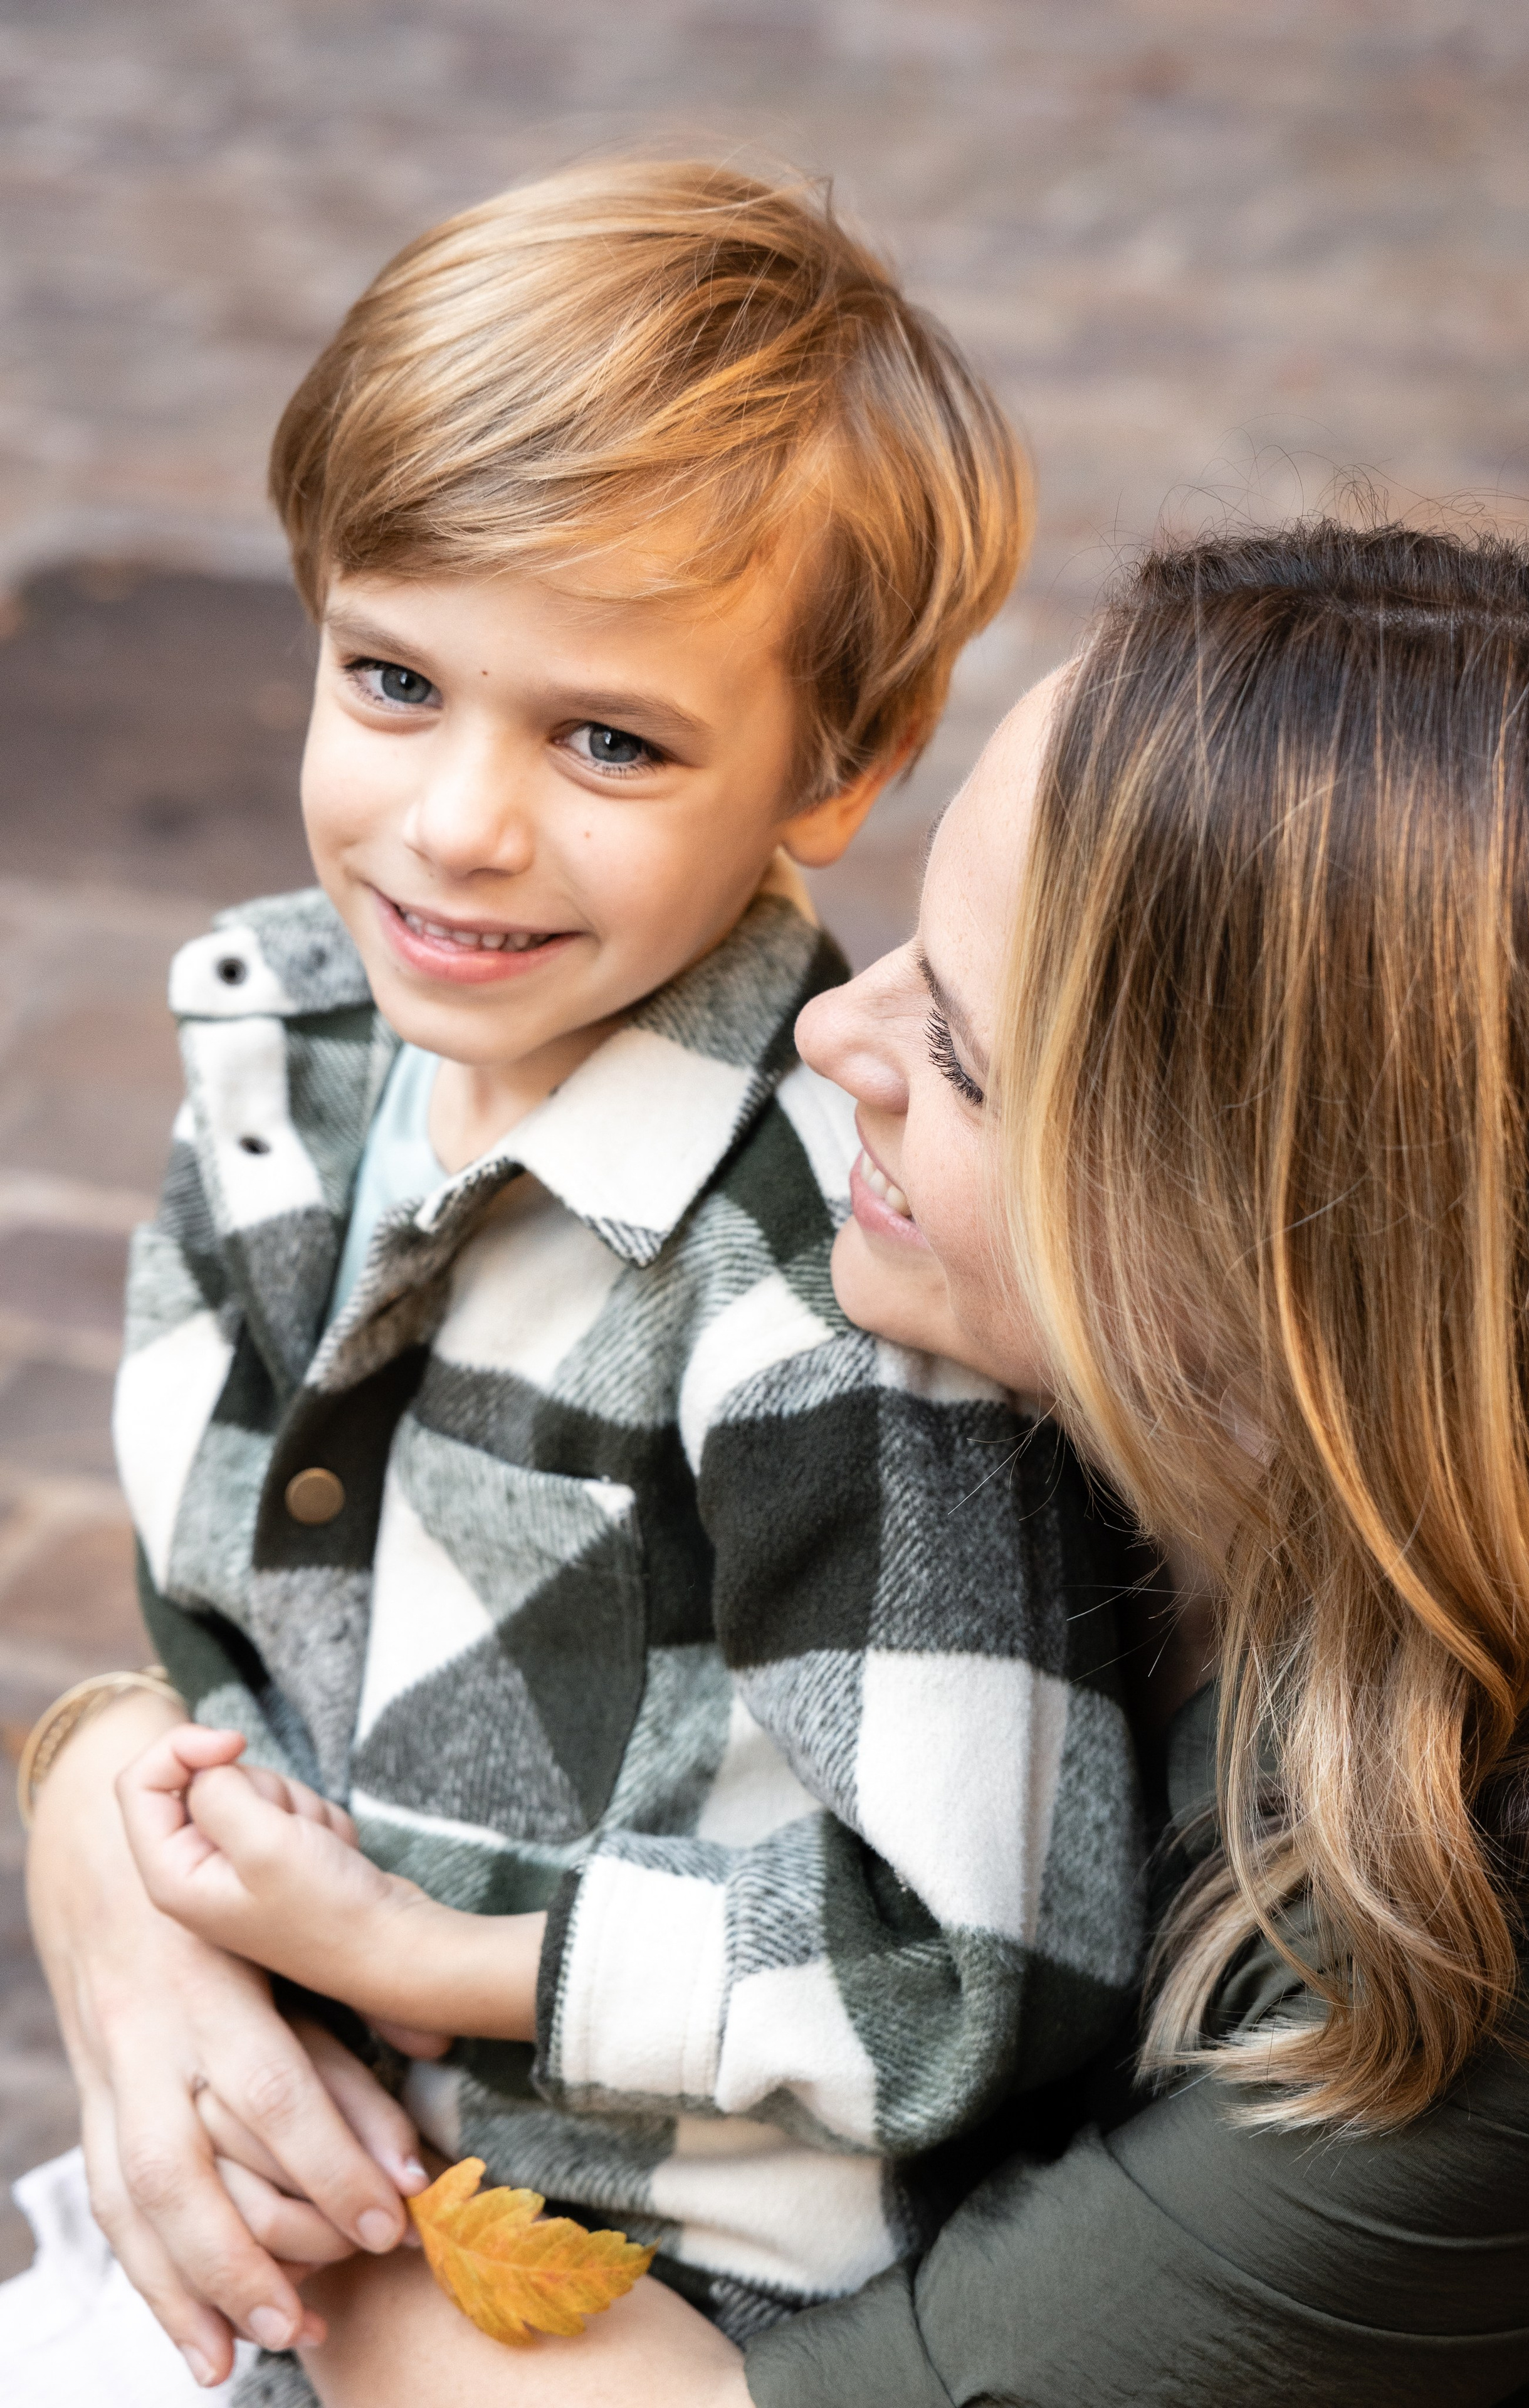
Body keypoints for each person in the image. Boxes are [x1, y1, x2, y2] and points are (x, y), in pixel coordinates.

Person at [17, 159, 1156, 2404]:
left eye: (607, 738)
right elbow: (232, 1643)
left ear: (849, 760)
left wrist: (456, 1963)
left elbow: (984, 1966)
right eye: (395, 676)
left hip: (652, 2317)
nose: (455, 823)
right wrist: (152, 1851)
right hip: (286, 2204)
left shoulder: (831, 1293)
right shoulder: (288, 1065)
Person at [358, 516, 1529, 2408]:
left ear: (1266, 1251)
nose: (827, 1035)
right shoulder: (997, 1355)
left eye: (952, 1048)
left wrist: (273, 2189)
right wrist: (122, 1866)